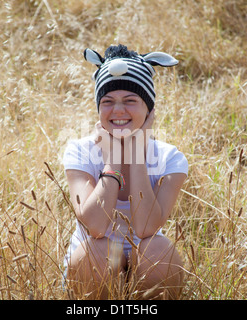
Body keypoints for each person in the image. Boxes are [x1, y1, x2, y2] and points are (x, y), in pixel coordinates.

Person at [62, 44, 188, 299]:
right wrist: (114, 158)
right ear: (98, 108)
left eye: (130, 101)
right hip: (95, 267)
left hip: (147, 261)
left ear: (149, 109)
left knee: (158, 249)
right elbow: (96, 227)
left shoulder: (170, 157)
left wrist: (136, 152)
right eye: (107, 101)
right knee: (98, 251)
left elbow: (145, 228)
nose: (118, 110)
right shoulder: (79, 151)